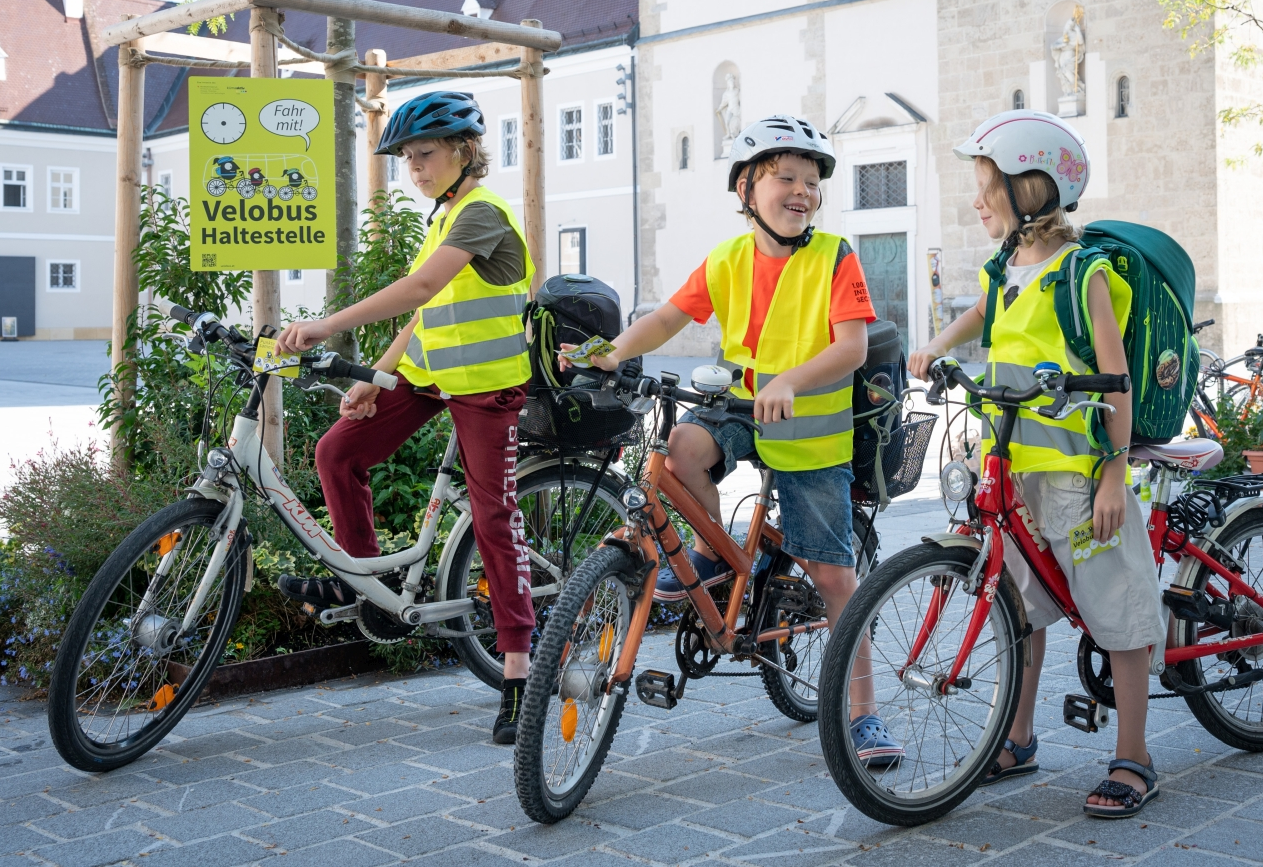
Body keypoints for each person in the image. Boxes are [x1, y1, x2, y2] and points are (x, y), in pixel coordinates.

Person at [565, 114, 904, 769]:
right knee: (683, 449)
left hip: (811, 432)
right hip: (742, 409)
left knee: (834, 576)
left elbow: (852, 347)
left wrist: (794, 381)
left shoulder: (835, 256)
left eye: (812, 182)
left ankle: (864, 713)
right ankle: (712, 555)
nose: (802, 191)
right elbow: (670, 316)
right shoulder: (728, 258)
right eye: (786, 178)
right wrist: (610, 353)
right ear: (747, 189)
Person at [909, 109, 1166, 818]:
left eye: (987, 185)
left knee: (1116, 607)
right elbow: (982, 313)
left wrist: (1113, 473)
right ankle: (1018, 738)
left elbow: (1116, 379)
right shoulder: (1005, 267)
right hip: (1012, 469)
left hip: (1078, 475)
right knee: (1020, 608)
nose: (977, 200)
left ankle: (1135, 756)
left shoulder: (1082, 274)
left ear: (1030, 190)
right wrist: (936, 345)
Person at [273, 90, 537, 745]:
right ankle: (367, 583)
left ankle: (518, 674)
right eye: (407, 159)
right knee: (338, 452)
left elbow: (419, 288)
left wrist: (326, 326)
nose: (414, 168)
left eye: (425, 155)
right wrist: (377, 377)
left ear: (464, 151)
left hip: (485, 387)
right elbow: (427, 312)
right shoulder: (443, 215)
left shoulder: (482, 213)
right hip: (427, 377)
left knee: (493, 518)